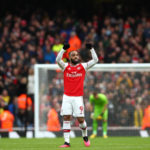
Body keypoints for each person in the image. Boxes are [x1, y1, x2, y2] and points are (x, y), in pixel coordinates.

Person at [56, 43, 98, 147]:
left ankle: (85, 136)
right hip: (67, 97)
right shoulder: (65, 67)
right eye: (73, 55)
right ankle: (67, 142)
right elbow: (57, 60)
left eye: (77, 55)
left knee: (81, 120)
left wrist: (91, 49)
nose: (76, 57)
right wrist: (63, 50)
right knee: (66, 117)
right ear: (69, 58)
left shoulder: (83, 67)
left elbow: (95, 60)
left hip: (78, 98)